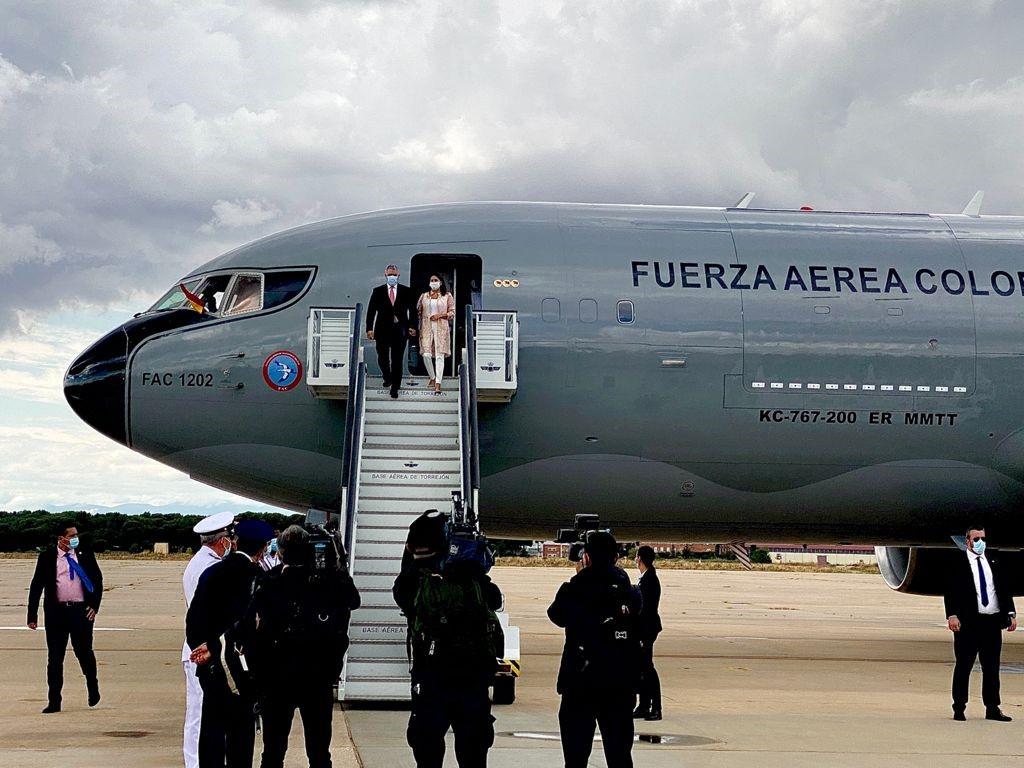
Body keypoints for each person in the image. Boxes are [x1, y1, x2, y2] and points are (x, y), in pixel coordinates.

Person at [242, 525, 361, 768]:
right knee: (319, 753)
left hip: (276, 680)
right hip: (316, 678)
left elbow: (250, 633)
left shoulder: (268, 582)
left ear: (281, 553)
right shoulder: (326, 582)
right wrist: (338, 564)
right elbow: (353, 600)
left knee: (273, 752)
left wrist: (257, 676)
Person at [393, 510, 503, 768]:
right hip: (472, 678)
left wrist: (413, 561)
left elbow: (402, 598)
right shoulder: (474, 581)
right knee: (473, 752)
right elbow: (495, 601)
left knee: (427, 748)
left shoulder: (413, 583)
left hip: (431, 678)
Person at [548, 531, 641, 768]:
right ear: (616, 557)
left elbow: (556, 615)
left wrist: (581, 577)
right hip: (619, 684)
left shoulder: (575, 589)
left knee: (576, 757)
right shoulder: (629, 593)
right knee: (619, 755)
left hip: (581, 682)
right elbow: (645, 628)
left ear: (586, 557)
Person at [186, 518, 274, 767]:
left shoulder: (212, 572)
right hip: (242, 669)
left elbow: (193, 618)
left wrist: (202, 647)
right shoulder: (257, 576)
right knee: (241, 735)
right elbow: (257, 626)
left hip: (211, 664)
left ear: (235, 542)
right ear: (263, 548)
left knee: (212, 729)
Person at [27, 520, 104, 714]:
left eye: (77, 535)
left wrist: (94, 606)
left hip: (80, 612)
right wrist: (32, 614)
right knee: (55, 658)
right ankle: (54, 701)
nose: (76, 539)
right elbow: (37, 586)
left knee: (84, 652)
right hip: (56, 614)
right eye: (72, 536)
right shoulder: (46, 557)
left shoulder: (85, 555)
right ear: (61, 539)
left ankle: (92, 685)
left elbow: (97, 580)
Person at [945, 525, 1017, 721]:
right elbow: (950, 591)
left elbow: (1003, 588)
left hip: (992, 622)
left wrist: (1010, 613)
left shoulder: (993, 560)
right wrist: (952, 615)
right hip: (968, 623)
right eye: (976, 539)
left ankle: (992, 708)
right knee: (964, 666)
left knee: (992, 668)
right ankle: (959, 706)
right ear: (967, 541)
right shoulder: (958, 563)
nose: (980, 543)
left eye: (983, 539)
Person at [182, 512, 236, 768]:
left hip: (200, 645)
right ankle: (195, 763)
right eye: (229, 538)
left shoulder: (202, 561)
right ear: (222, 539)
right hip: (202, 648)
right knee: (200, 713)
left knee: (201, 711)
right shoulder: (209, 567)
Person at [366, 264, 417, 398]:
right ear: (385, 275)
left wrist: (412, 326)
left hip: (400, 330)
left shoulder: (406, 291)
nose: (392, 277)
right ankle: (387, 377)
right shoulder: (378, 291)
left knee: (397, 359)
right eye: (390, 275)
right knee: (382, 357)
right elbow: (371, 311)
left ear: (398, 275)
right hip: (382, 329)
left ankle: (395, 386)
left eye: (394, 275)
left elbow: (412, 310)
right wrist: (369, 328)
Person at [633, 545, 662, 721]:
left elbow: (646, 610)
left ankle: (656, 707)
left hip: (646, 630)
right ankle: (644, 705)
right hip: (645, 629)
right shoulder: (646, 578)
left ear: (640, 559)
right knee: (642, 668)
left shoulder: (649, 580)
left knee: (648, 669)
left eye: (637, 557)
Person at [416, 275, 455, 393]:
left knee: (439, 355)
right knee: (426, 354)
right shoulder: (424, 296)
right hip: (426, 327)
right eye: (431, 280)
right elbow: (418, 311)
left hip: (441, 327)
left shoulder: (447, 296)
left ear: (441, 282)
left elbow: (452, 312)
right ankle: (432, 377)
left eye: (436, 280)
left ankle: (438, 382)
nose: (433, 282)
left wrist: (440, 315)